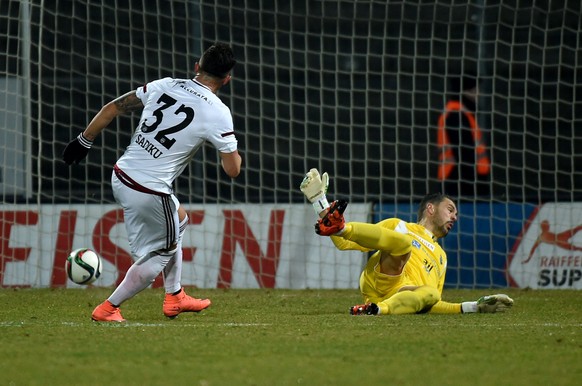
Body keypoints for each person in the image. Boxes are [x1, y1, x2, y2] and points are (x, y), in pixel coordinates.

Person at [62, 42, 242, 322]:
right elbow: (232, 170)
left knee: (179, 220)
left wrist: (83, 141)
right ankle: (109, 308)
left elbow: (112, 108)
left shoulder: (165, 85)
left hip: (122, 175)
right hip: (149, 190)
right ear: (227, 79)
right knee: (162, 252)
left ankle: (175, 296)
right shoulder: (218, 112)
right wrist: (230, 149)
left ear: (197, 66)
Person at [300, 168, 513, 315]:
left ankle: (376, 310)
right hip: (383, 278)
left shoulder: (442, 258)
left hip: (399, 297)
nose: (454, 217)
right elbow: (344, 243)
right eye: (450, 210)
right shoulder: (399, 226)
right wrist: (322, 206)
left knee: (430, 292)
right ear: (430, 208)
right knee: (403, 244)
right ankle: (340, 223)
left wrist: (474, 306)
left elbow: (430, 302)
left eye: (456, 214)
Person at [436, 75, 491, 198]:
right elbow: (464, 153)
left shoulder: (460, 112)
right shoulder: (457, 115)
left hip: (459, 179)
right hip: (460, 182)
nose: (478, 94)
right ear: (467, 91)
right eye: (475, 90)